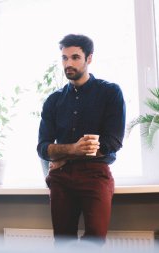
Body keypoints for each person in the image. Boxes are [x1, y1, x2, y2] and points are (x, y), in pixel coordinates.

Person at [37, 34, 126, 244]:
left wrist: (66, 152)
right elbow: (42, 147)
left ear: (89, 59)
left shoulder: (110, 92)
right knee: (63, 242)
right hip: (61, 177)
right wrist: (74, 149)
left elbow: (113, 142)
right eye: (64, 58)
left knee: (95, 240)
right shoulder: (53, 100)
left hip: (95, 175)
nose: (68, 63)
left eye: (75, 57)